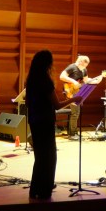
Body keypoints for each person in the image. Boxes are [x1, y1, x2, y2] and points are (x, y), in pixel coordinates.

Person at [25, 50, 82, 199]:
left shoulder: (30, 80)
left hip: (34, 121)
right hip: (45, 122)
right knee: (50, 157)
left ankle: (35, 189)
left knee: (40, 157)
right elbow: (57, 105)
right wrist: (73, 99)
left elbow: (28, 103)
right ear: (48, 64)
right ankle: (45, 190)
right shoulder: (46, 81)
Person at [58, 55, 106, 139]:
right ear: (79, 61)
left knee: (76, 112)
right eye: (83, 65)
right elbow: (61, 76)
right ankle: (72, 134)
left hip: (78, 92)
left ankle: (73, 133)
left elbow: (86, 81)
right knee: (75, 113)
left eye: (85, 65)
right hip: (69, 91)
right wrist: (73, 81)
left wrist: (99, 79)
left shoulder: (84, 70)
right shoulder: (72, 67)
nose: (84, 67)